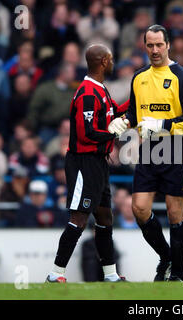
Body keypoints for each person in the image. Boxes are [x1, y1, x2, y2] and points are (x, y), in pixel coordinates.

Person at [108, 24, 183, 281]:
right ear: (144, 46)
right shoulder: (139, 78)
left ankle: (177, 275)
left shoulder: (182, 77)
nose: (155, 50)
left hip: (177, 150)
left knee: (174, 212)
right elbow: (134, 113)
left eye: (159, 44)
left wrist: (163, 124)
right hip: (148, 151)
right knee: (139, 208)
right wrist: (123, 122)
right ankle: (166, 256)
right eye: (150, 45)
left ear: (168, 45)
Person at [46, 44, 128, 283]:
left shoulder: (100, 90)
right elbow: (86, 133)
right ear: (102, 61)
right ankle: (56, 273)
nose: (113, 62)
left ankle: (110, 275)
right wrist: (114, 132)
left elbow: (112, 114)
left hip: (98, 162)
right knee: (79, 218)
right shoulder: (88, 93)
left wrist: (134, 108)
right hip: (84, 162)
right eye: (111, 59)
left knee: (105, 217)